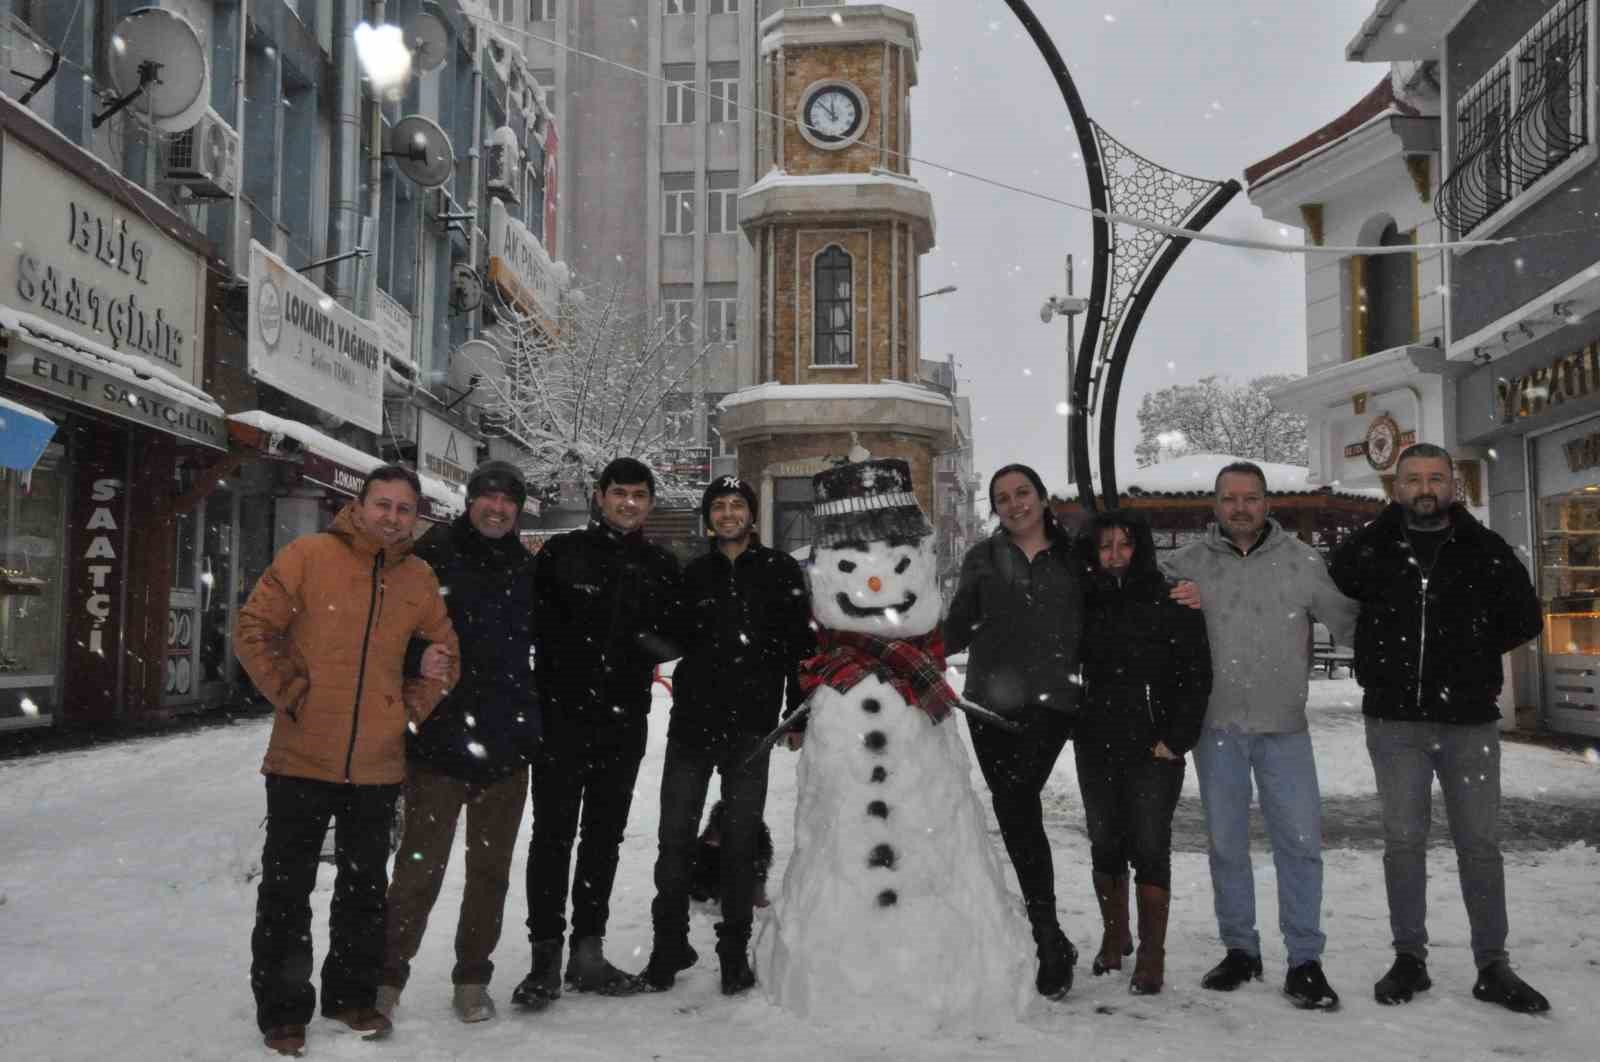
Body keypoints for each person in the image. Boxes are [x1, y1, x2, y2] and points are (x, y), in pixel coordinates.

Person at [236, 465, 460, 1057]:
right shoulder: (309, 556)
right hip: (300, 754)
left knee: (363, 888)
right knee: (287, 889)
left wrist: (407, 711)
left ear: (417, 517)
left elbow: (446, 657)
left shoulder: (419, 578)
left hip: (378, 764)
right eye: (382, 504)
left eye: (404, 508)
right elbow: (254, 629)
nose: (392, 516)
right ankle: (284, 1010)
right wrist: (292, 694)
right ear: (358, 507)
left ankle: (350, 995)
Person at [1328, 443, 1549, 1013]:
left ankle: (1492, 965)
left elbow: (1524, 618)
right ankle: (1409, 958)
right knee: (1403, 843)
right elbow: (1335, 600)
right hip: (1394, 722)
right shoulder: (1369, 548)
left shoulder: (1486, 550)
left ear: (1454, 485)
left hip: (1468, 724)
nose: (1425, 487)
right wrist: (1382, 657)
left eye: (1435, 478)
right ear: (1395, 487)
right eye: (1413, 479)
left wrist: (1467, 657)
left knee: (1480, 845)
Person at [1163, 460, 1357, 1010]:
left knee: (1299, 845)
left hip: (1285, 729)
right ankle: (1241, 949)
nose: (1241, 508)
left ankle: (1304, 959)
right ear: (1216, 505)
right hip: (1216, 728)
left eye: (1251, 498)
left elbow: (1351, 623)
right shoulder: (1187, 565)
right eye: (1230, 499)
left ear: (1267, 503)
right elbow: (1144, 626)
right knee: (1226, 846)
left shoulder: (1302, 561)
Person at [512, 457, 682, 1006]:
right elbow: (527, 626)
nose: (628, 503)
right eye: (619, 493)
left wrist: (642, 646)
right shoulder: (562, 554)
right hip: (561, 720)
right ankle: (544, 957)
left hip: (622, 723)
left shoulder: (660, 564)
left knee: (603, 838)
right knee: (552, 836)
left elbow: (679, 637)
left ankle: (588, 949)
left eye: (639, 495)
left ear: (650, 503)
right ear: (599, 495)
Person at [376, 461, 540, 1025]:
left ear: (518, 508)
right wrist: (411, 667)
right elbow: (390, 634)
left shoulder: (526, 566)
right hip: (441, 743)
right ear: (469, 501)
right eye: (486, 497)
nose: (497, 508)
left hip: (507, 746)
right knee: (419, 868)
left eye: (507, 500)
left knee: (490, 873)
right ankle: (387, 977)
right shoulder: (431, 554)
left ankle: (472, 978)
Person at [639, 475, 814, 995]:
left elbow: (797, 646)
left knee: (740, 843)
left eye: (738, 505)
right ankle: (669, 942)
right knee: (674, 839)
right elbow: (668, 636)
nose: (729, 513)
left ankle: (733, 951)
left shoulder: (779, 571)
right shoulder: (692, 574)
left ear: (751, 515)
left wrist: (795, 713)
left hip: (751, 729)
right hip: (693, 724)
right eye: (719, 505)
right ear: (708, 516)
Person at [943, 462, 1084, 999]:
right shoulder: (982, 558)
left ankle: (1048, 936)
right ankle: (1049, 937)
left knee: (1019, 798)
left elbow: (1109, 613)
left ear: (1043, 497)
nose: (1014, 503)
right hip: (988, 710)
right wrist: (906, 646)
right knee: (1015, 810)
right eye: (1003, 497)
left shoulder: (1074, 558)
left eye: (1023, 492)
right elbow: (959, 625)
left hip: (1052, 705)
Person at [1075, 510, 1211, 995]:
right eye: (1105, 545)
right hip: (1095, 742)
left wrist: (1176, 738)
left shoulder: (1170, 598)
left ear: (1141, 548)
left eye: (1124, 544)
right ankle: (1116, 936)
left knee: (1150, 845)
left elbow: (1197, 675)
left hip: (1154, 745)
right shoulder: (1084, 600)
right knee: (1105, 840)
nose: (1114, 555)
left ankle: (1153, 953)